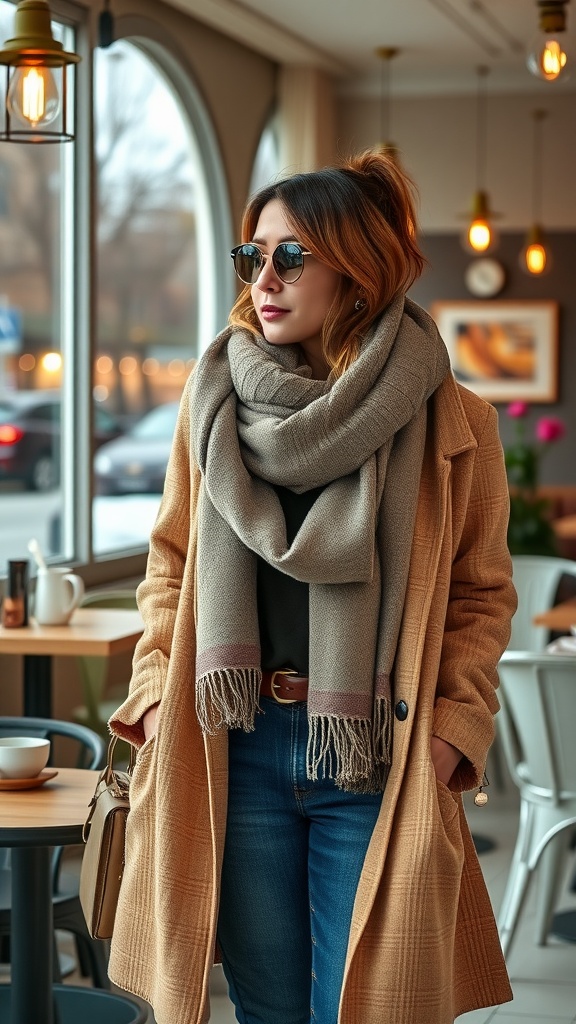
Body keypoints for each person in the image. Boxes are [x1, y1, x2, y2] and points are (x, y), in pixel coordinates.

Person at [108, 150, 517, 1024]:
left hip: (377, 755)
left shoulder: (455, 419)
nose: (266, 277)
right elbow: (171, 560)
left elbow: (483, 594)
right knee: (269, 1008)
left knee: (364, 1006)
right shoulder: (211, 400)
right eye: (253, 255)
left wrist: (455, 728)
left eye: (292, 256)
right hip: (237, 748)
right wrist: (150, 691)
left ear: (358, 274)